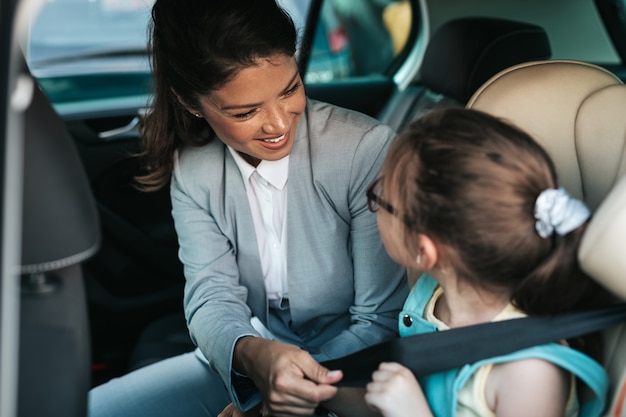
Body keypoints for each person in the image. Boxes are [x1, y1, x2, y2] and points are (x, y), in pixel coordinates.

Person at [87, 0, 408, 416]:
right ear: (190, 102)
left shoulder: (364, 149)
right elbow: (211, 294)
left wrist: (267, 403)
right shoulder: (195, 168)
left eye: (290, 89)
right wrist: (254, 358)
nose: (278, 123)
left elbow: (379, 321)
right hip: (255, 358)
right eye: (246, 111)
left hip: (355, 364)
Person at [360, 108, 614, 417]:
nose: (375, 208)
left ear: (424, 251)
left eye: (380, 199)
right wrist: (320, 388)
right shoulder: (431, 295)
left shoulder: (529, 373)